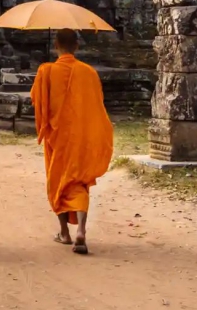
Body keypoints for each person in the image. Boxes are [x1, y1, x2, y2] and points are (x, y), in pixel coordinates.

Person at [30, 27, 114, 254]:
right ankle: (82, 231)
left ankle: (64, 232)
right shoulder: (89, 73)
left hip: (57, 138)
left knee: (58, 181)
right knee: (79, 182)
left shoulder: (46, 71)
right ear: (77, 46)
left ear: (55, 45)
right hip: (81, 136)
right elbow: (97, 105)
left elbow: (37, 102)